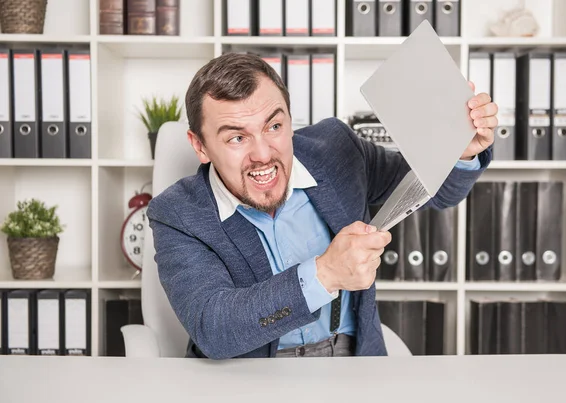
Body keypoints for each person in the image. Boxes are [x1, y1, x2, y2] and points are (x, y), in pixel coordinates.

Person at [147, 52, 498, 360]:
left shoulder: (333, 149)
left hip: (355, 362)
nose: (263, 154)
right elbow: (215, 329)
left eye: (274, 126)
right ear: (200, 146)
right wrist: (324, 274)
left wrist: (460, 149)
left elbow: (433, 191)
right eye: (237, 137)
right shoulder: (178, 214)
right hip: (251, 375)